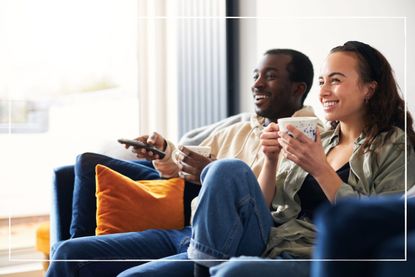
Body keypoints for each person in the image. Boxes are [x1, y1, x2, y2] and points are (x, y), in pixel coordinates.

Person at [47, 48, 319, 277]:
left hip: (240, 237)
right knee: (66, 253)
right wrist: (164, 151)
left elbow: (274, 207)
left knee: (226, 169)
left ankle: (202, 265)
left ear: (298, 88)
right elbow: (184, 165)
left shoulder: (311, 137)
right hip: (190, 231)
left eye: (269, 77)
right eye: (256, 76)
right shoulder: (237, 130)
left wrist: (210, 172)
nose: (257, 84)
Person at [186, 40, 415, 277]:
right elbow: (266, 208)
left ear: (369, 88)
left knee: (233, 272)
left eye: (335, 80)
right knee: (226, 168)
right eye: (322, 82)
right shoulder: (320, 139)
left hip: (316, 254)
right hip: (272, 241)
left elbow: (377, 225)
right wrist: (270, 160)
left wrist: (320, 170)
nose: (324, 92)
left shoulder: (394, 147)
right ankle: (201, 268)